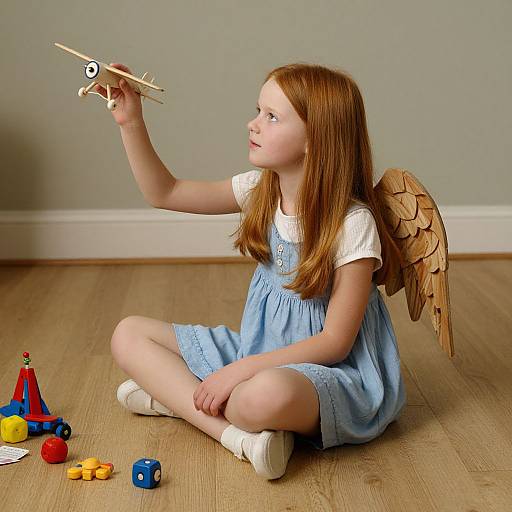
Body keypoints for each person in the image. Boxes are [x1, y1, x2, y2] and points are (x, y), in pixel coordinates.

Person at [99, 62, 407, 481]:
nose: (253, 124)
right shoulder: (259, 189)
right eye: (258, 110)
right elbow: (165, 192)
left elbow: (335, 342)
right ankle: (238, 438)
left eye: (271, 117)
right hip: (257, 353)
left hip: (329, 374)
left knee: (260, 397)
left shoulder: (352, 225)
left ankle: (176, 400)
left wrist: (238, 372)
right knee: (128, 334)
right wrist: (130, 122)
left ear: (315, 141)